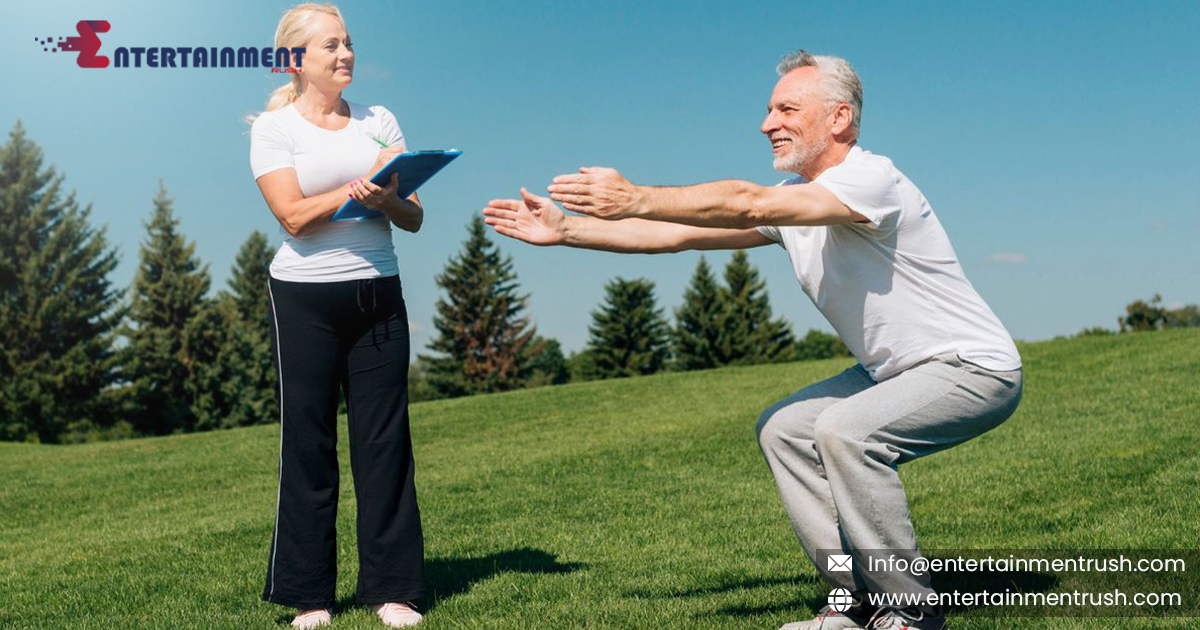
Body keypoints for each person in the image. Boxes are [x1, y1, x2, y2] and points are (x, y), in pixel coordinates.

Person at [482, 50, 1022, 630]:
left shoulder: (872, 179)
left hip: (971, 368)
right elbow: (679, 235)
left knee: (845, 433)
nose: (767, 123)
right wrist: (568, 230)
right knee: (786, 429)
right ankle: (856, 601)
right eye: (769, 110)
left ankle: (912, 613)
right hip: (894, 373)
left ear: (838, 119)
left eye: (787, 108)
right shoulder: (795, 205)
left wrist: (636, 193)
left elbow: (749, 200)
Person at [248, 4, 425, 628]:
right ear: (296, 60)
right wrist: (358, 193)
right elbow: (291, 216)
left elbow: (414, 216)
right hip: (304, 297)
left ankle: (394, 589)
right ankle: (309, 596)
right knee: (309, 443)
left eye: (349, 43)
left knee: (384, 442)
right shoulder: (273, 130)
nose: (345, 54)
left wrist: (392, 197)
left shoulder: (379, 121)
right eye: (331, 45)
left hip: (378, 290)